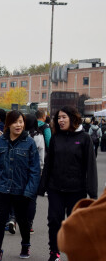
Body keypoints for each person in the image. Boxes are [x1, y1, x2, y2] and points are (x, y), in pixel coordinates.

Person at [38, 106, 98, 261]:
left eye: (64, 117)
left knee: (74, 225)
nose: (61, 120)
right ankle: (54, 252)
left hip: (76, 190)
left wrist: (92, 192)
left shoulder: (84, 138)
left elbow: (90, 167)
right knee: (54, 220)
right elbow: (49, 163)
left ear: (73, 118)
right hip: (55, 188)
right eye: (58, 118)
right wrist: (41, 186)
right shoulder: (56, 138)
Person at [0, 110, 41, 260]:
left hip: (21, 189)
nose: (18, 125)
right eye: (15, 122)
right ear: (8, 124)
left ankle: (25, 245)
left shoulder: (29, 143)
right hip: (2, 187)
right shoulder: (1, 141)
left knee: (22, 220)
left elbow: (35, 170)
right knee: (0, 219)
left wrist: (30, 191)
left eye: (21, 122)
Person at [25, 114, 45, 234]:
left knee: (19, 195)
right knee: (32, 198)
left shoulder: (21, 135)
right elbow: (41, 154)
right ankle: (29, 223)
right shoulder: (39, 136)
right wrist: (41, 169)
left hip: (21, 169)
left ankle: (15, 220)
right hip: (34, 170)